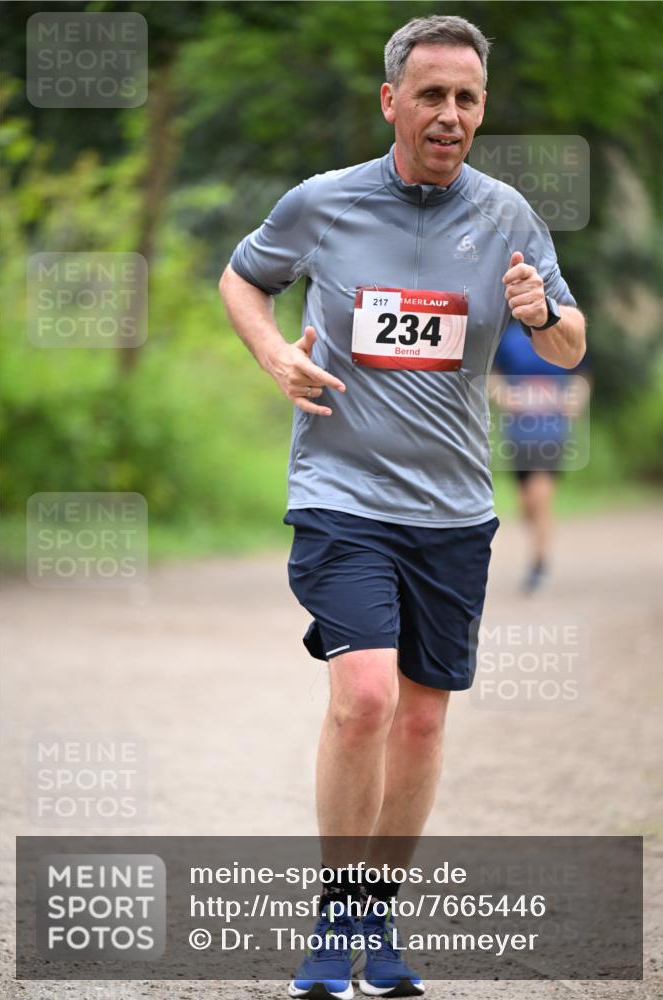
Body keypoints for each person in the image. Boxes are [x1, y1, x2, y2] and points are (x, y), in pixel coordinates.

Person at [219, 14, 586, 999]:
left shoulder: (508, 216)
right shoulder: (325, 204)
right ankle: (330, 925)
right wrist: (274, 354)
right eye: (431, 94)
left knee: (422, 724)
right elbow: (243, 280)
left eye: (466, 98)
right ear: (392, 101)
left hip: (453, 511)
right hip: (341, 498)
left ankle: (377, 923)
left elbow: (568, 344)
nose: (450, 115)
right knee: (367, 699)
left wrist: (541, 313)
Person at [491, 320, 591, 594]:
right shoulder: (508, 337)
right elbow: (493, 375)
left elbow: (582, 375)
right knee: (527, 505)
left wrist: (575, 401)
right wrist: (504, 396)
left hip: (552, 432)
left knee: (540, 495)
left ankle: (538, 564)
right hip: (518, 433)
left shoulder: (563, 331)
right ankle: (538, 544)